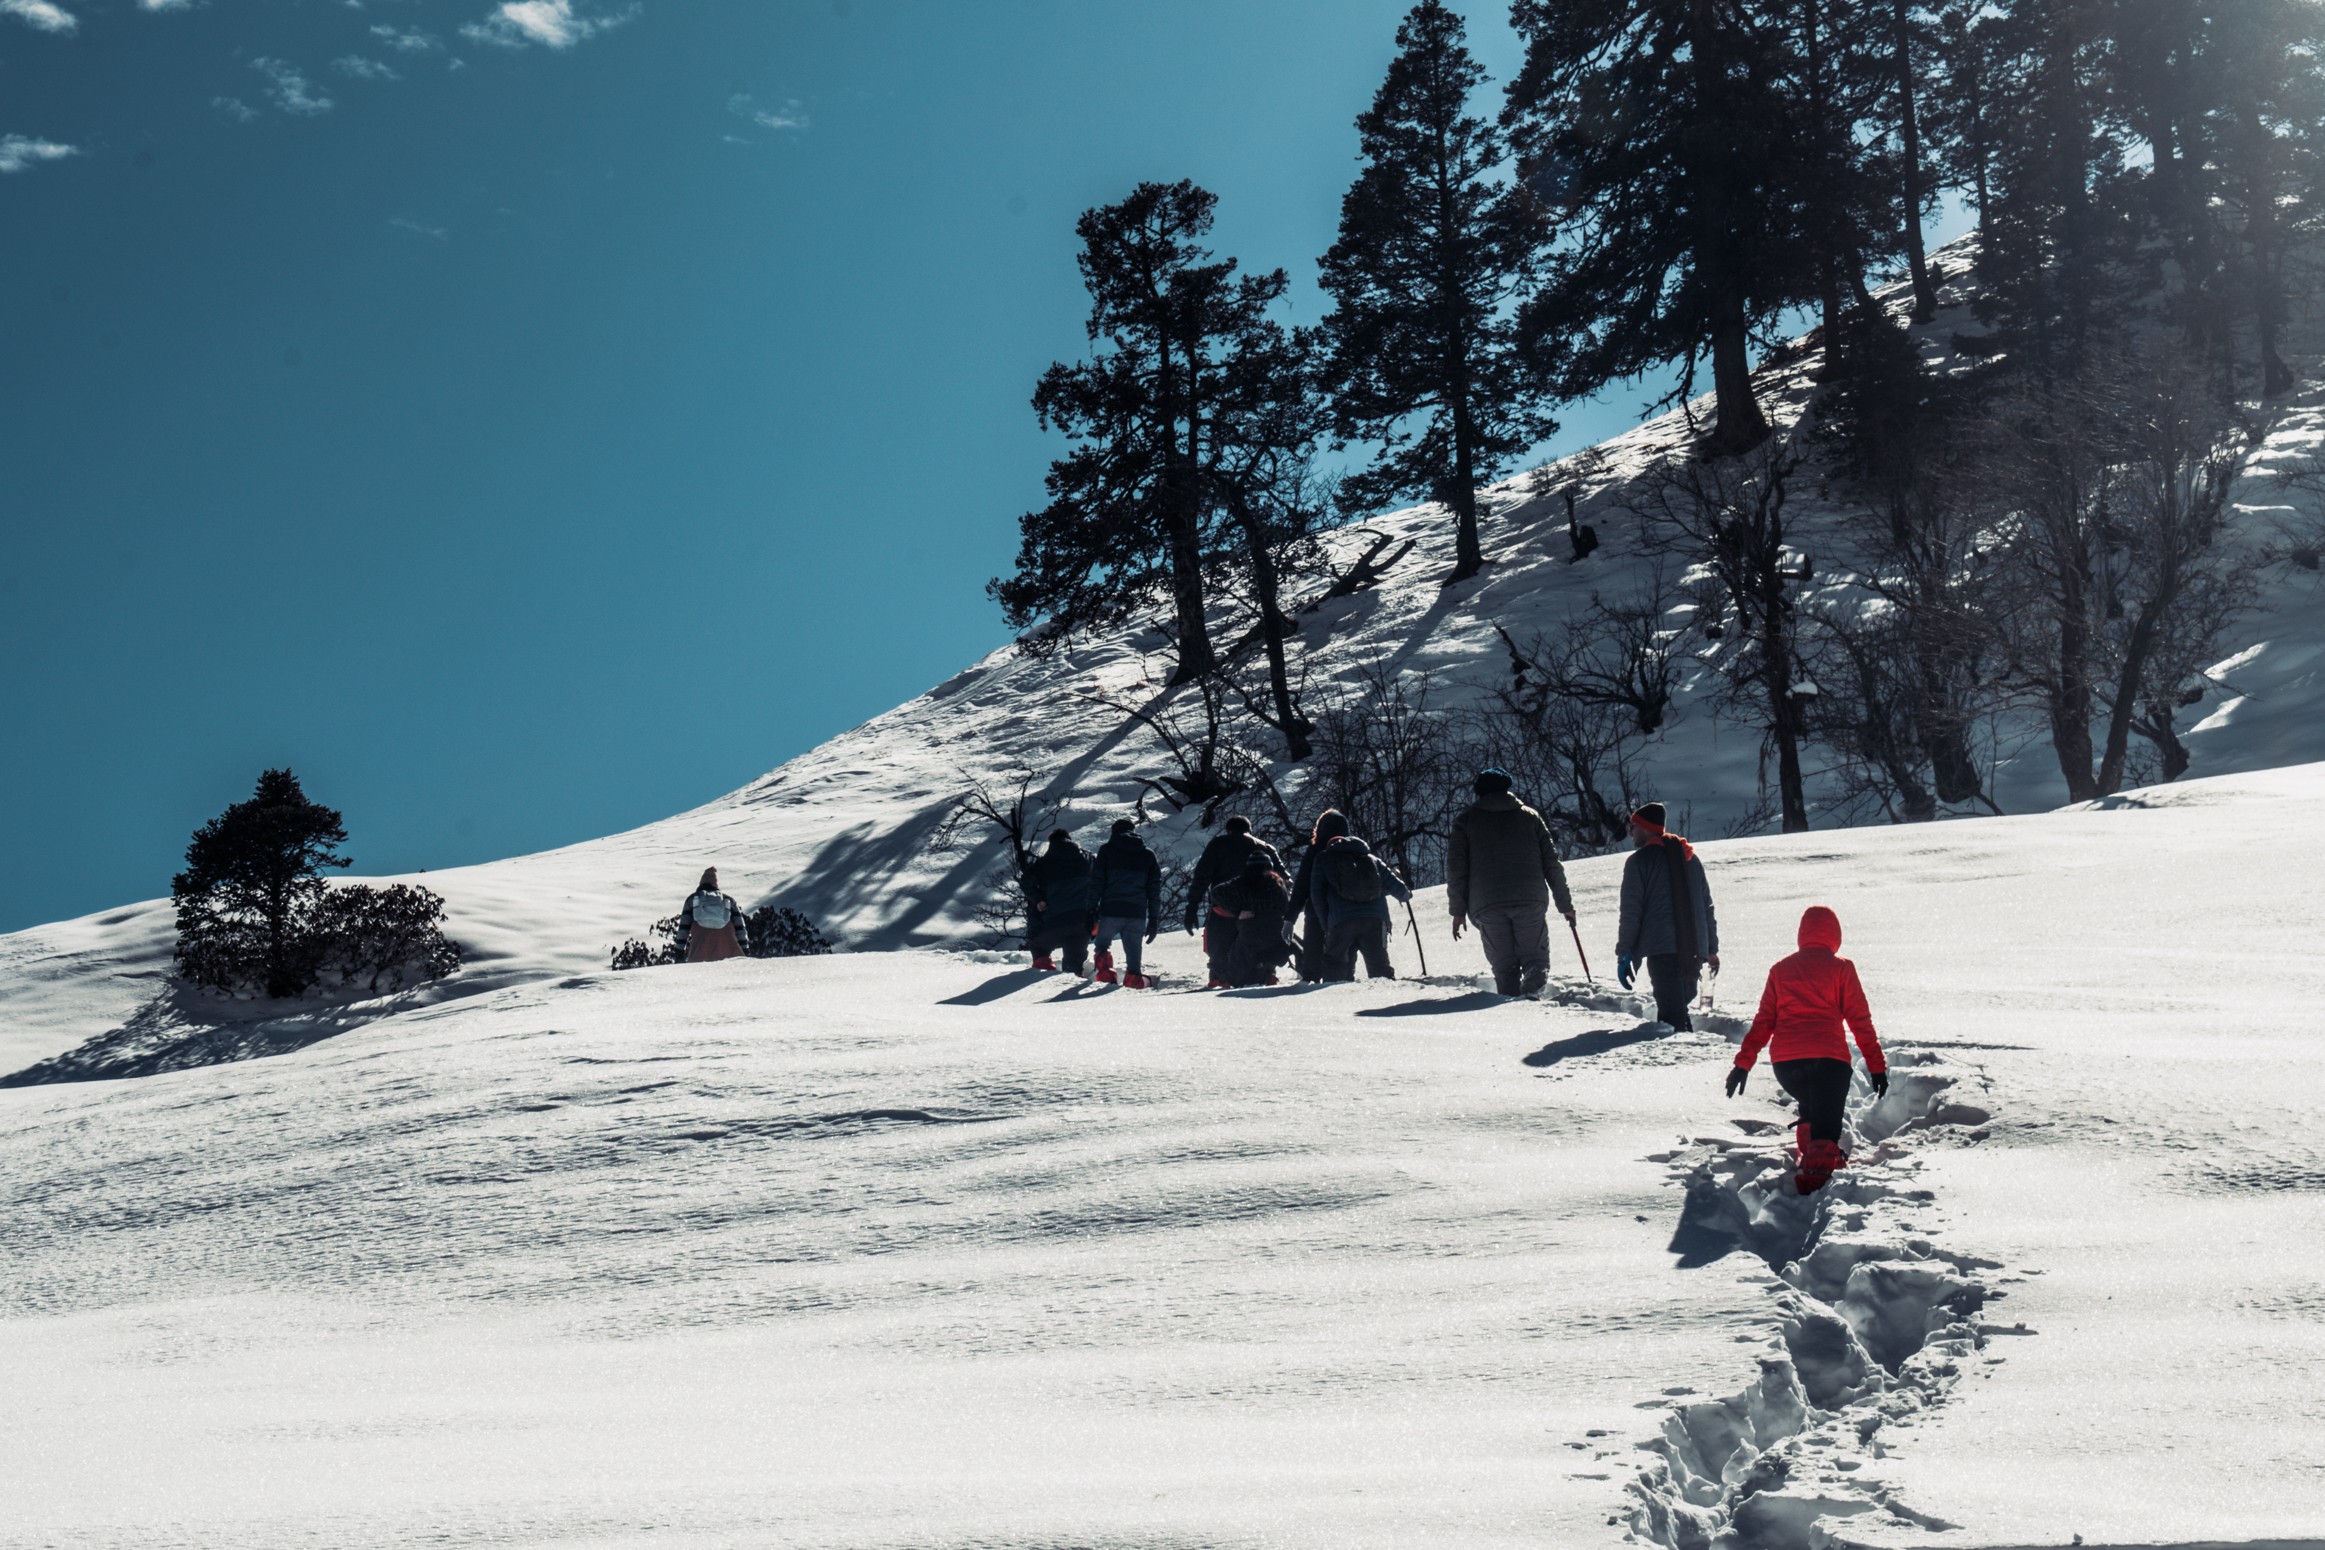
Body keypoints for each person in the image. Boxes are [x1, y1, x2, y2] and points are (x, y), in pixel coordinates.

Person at [1726, 906, 1889, 1194]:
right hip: (1830, 1062)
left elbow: (1764, 1022)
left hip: (1788, 1065)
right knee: (1827, 1129)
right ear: (1835, 935)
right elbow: (1860, 1021)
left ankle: (1810, 1160)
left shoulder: (1780, 970)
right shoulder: (1841, 968)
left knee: (1813, 1110)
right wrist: (1877, 1067)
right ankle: (1815, 1184)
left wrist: (1743, 1064)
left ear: (1802, 934)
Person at [1447, 769, 1575, 998]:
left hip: (1487, 904)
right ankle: (1530, 1004)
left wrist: (1457, 912)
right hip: (1529, 898)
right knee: (1535, 960)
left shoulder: (1465, 822)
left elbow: (1457, 871)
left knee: (1504, 967)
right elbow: (1551, 863)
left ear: (1479, 793)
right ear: (1507, 789)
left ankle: (1513, 1010)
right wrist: (1565, 904)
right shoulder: (1530, 817)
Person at [1614, 802, 1719, 1029]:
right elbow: (1706, 906)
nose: (1630, 832)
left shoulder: (1639, 862)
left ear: (1644, 827)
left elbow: (1631, 911)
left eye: (1633, 826)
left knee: (1671, 1016)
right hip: (1692, 948)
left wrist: (1625, 953)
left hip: (1662, 948)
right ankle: (1687, 1048)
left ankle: (1677, 1058)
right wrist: (1711, 949)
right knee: (1678, 1005)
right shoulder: (1690, 858)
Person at [1184, 815, 1283, 988]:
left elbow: (1202, 876)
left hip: (1225, 907)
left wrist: (1192, 906)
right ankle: (1268, 973)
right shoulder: (1264, 847)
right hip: (1258, 909)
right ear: (1249, 830)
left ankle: (1218, 977)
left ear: (1229, 830)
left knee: (1220, 943)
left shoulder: (1218, 844)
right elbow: (1284, 876)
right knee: (1261, 941)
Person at [1312, 828, 1411, 981]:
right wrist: (1405, 894)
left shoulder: (1324, 858)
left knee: (1334, 966)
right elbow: (1400, 890)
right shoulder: (1371, 859)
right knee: (1379, 968)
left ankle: (1334, 999)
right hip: (1375, 920)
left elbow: (1317, 894)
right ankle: (1387, 999)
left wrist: (1326, 924)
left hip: (1341, 921)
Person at [1090, 817, 1162, 987]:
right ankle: (1134, 979)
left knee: (1101, 944)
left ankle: (1106, 974)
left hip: (1110, 910)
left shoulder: (1106, 850)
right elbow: (1154, 890)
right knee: (1134, 956)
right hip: (1136, 913)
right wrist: (1153, 919)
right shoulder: (1147, 854)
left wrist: (1090, 909)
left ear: (1114, 832)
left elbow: (1096, 882)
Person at [1286, 809, 1352, 981]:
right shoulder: (1353, 849)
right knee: (1345, 951)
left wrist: (1290, 919)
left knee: (1312, 953)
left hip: (1315, 911)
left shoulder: (1315, 852)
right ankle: (1346, 980)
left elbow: (1301, 887)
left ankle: (1311, 981)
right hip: (1347, 911)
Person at [1211, 854, 1294, 987]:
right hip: (1275, 931)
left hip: (1249, 929)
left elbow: (1216, 893)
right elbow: (1285, 906)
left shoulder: (1241, 883)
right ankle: (1269, 975)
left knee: (1240, 959)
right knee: (1270, 949)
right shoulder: (1277, 884)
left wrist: (1237, 911)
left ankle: (1245, 979)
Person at [1020, 829, 1095, 974]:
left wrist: (1038, 899)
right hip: (1081, 922)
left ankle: (1043, 973)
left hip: (1053, 922)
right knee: (1074, 965)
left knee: (1039, 947)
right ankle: (1071, 982)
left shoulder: (1044, 864)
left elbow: (1025, 881)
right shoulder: (1085, 861)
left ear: (1052, 843)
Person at [679, 867, 749, 963]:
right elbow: (740, 928)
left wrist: (679, 952)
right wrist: (745, 949)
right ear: (715, 884)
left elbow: (683, 929)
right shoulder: (728, 900)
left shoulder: (692, 900)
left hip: (700, 950)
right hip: (729, 950)